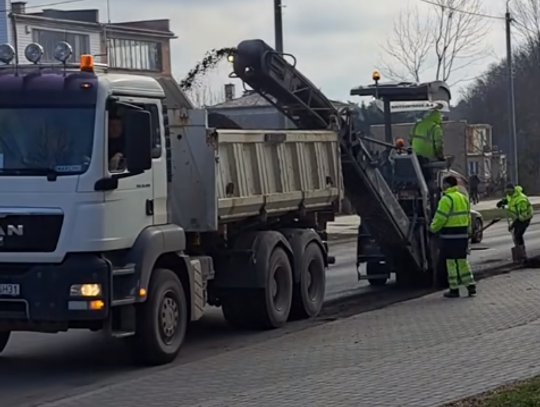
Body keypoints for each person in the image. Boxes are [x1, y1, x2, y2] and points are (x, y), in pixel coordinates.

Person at [430, 175, 477, 298]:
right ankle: (470, 285)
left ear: (446, 185)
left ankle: (454, 289)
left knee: (451, 263)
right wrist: (468, 231)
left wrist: (432, 229)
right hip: (462, 235)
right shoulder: (463, 198)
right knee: (462, 262)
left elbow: (440, 217)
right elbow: (468, 217)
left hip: (449, 237)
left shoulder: (446, 199)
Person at [496, 183, 533, 263]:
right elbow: (508, 200)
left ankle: (522, 253)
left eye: (509, 191)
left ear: (513, 190)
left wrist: (512, 225)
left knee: (518, 234)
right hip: (517, 217)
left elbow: (522, 217)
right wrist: (502, 202)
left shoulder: (521, 200)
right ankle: (520, 252)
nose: (508, 193)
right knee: (516, 235)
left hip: (525, 218)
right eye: (507, 192)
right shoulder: (511, 196)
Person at [408, 108, 445, 180]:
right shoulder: (436, 128)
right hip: (429, 160)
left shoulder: (417, 125)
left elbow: (410, 139)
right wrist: (440, 157)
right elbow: (438, 146)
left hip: (415, 157)